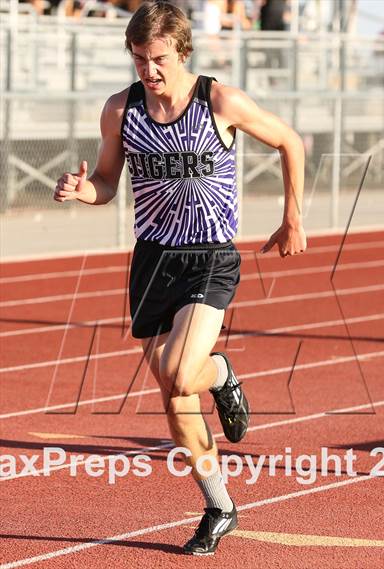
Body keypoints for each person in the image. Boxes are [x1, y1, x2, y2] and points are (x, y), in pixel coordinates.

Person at [54, 0, 306, 556]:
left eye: (159, 58)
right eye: (140, 58)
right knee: (172, 398)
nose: (150, 70)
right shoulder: (121, 110)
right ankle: (219, 505)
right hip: (152, 262)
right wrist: (81, 190)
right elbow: (106, 180)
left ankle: (220, 374)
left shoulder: (219, 100)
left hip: (210, 256)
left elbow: (290, 141)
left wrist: (292, 217)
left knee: (180, 369)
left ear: (182, 51)